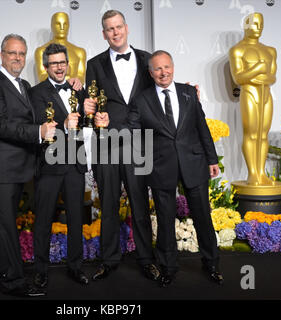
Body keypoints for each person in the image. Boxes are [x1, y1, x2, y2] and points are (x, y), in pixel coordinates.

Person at [103, 50, 223, 287]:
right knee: (165, 221)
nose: (163, 72)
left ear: (173, 67)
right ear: (150, 73)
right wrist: (109, 128)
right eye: (157, 69)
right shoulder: (142, 99)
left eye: (166, 67)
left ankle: (212, 264)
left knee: (202, 217)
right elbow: (131, 128)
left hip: (193, 163)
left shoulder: (189, 93)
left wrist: (212, 159)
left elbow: (202, 127)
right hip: (161, 167)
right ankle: (168, 267)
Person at [0, 34, 56, 297]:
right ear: (2, 55)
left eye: (22, 53)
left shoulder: (22, 84)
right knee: (6, 223)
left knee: (2, 220)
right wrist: (38, 132)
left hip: (16, 167)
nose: (18, 58)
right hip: (1, 169)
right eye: (13, 53)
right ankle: (13, 281)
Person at [84, 10, 159, 282]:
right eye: (109, 29)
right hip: (107, 144)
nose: (115, 33)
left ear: (126, 28)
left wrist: (187, 89)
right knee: (108, 204)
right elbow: (88, 105)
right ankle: (109, 260)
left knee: (140, 203)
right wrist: (91, 115)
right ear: (104, 34)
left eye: (118, 27)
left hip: (139, 142)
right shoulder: (94, 64)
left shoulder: (147, 60)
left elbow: (160, 91)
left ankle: (146, 259)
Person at [29, 43, 89, 288]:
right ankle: (41, 271)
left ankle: (75, 267)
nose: (59, 67)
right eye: (54, 63)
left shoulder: (78, 89)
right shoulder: (35, 93)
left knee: (76, 219)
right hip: (50, 166)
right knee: (43, 220)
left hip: (75, 164)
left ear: (67, 63)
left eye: (62, 62)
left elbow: (86, 121)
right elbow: (40, 124)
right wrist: (64, 124)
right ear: (45, 67)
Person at [229, 12, 277, 186]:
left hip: (265, 95)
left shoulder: (270, 50)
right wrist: (258, 68)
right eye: (255, 24)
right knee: (251, 132)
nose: (258, 28)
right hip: (249, 93)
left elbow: (272, 77)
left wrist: (261, 76)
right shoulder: (238, 50)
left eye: (261, 25)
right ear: (246, 25)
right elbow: (238, 78)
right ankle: (252, 174)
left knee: (263, 134)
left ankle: (261, 172)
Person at [35, 12, 87, 84]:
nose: (62, 27)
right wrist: (66, 79)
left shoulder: (80, 52)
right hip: (49, 94)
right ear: (52, 26)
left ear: (69, 26)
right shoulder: (41, 51)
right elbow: (42, 77)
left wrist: (72, 81)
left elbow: (81, 77)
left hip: (74, 93)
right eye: (58, 24)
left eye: (65, 24)